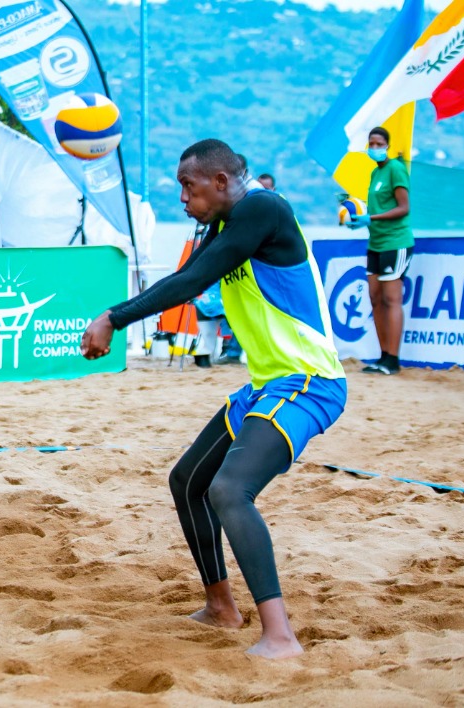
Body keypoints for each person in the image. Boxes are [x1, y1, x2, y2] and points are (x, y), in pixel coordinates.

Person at [81, 139, 347, 660]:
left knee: (229, 490)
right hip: (267, 385)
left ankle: (280, 637)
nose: (183, 198)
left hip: (309, 381)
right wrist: (116, 314)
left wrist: (113, 317)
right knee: (188, 481)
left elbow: (193, 281)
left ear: (221, 181)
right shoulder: (226, 223)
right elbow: (184, 278)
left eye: (189, 186)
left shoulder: (264, 209)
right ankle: (221, 607)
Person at [346, 126, 413, 375]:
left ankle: (393, 359)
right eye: (371, 144)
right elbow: (377, 208)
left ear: (387, 145)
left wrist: (371, 218)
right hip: (375, 242)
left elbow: (403, 207)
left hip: (395, 242)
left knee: (391, 299)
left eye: (378, 144)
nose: (374, 148)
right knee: (374, 298)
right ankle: (383, 355)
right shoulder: (376, 173)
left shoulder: (396, 168)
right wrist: (358, 217)